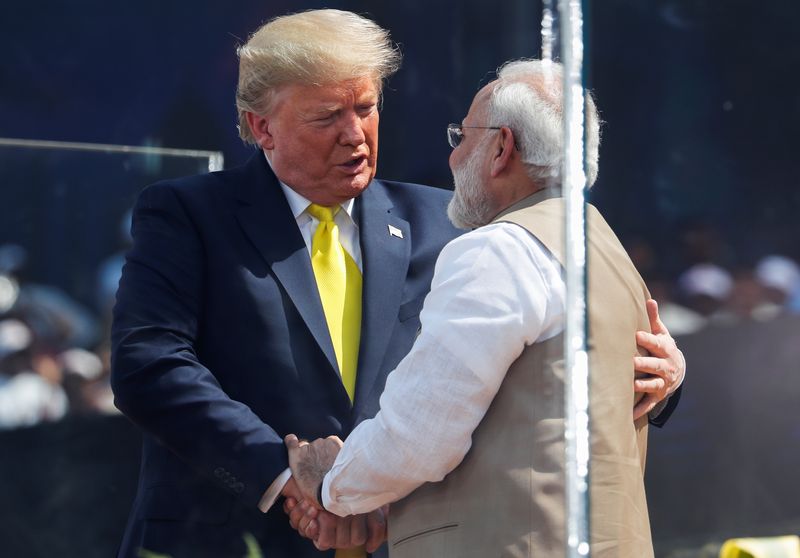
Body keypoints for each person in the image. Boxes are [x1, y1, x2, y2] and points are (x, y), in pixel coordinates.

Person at [111, 10, 683, 558]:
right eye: (326, 116)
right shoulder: (186, 215)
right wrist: (286, 475)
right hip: (232, 537)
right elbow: (149, 365)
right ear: (262, 127)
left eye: (366, 107)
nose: (354, 133)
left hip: (405, 541)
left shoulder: (452, 221)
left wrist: (664, 376)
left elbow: (545, 338)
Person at [284, 59, 681, 558]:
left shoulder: (498, 250)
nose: (452, 160)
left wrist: (329, 484)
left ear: (501, 148)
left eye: (462, 138)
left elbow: (420, 437)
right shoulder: (607, 248)